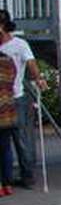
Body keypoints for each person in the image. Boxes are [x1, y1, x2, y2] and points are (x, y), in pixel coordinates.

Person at [0, 9, 48, 188]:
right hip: (1, 102)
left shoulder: (19, 45)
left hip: (16, 98)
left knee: (21, 139)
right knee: (4, 142)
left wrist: (39, 79)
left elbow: (31, 64)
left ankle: (28, 176)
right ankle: (6, 178)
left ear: (2, 26)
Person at [0, 51, 17, 196]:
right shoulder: (8, 60)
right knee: (5, 149)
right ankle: (7, 184)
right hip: (7, 110)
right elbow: (13, 79)